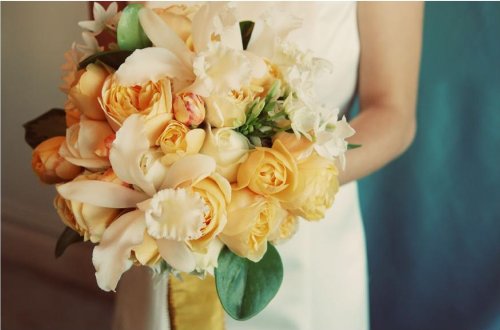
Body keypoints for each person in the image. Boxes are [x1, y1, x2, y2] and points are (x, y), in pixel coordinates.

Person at [113, 2, 424, 330]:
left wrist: (274, 183)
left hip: (301, 244)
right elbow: (111, 62)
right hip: (164, 227)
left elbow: (393, 114)